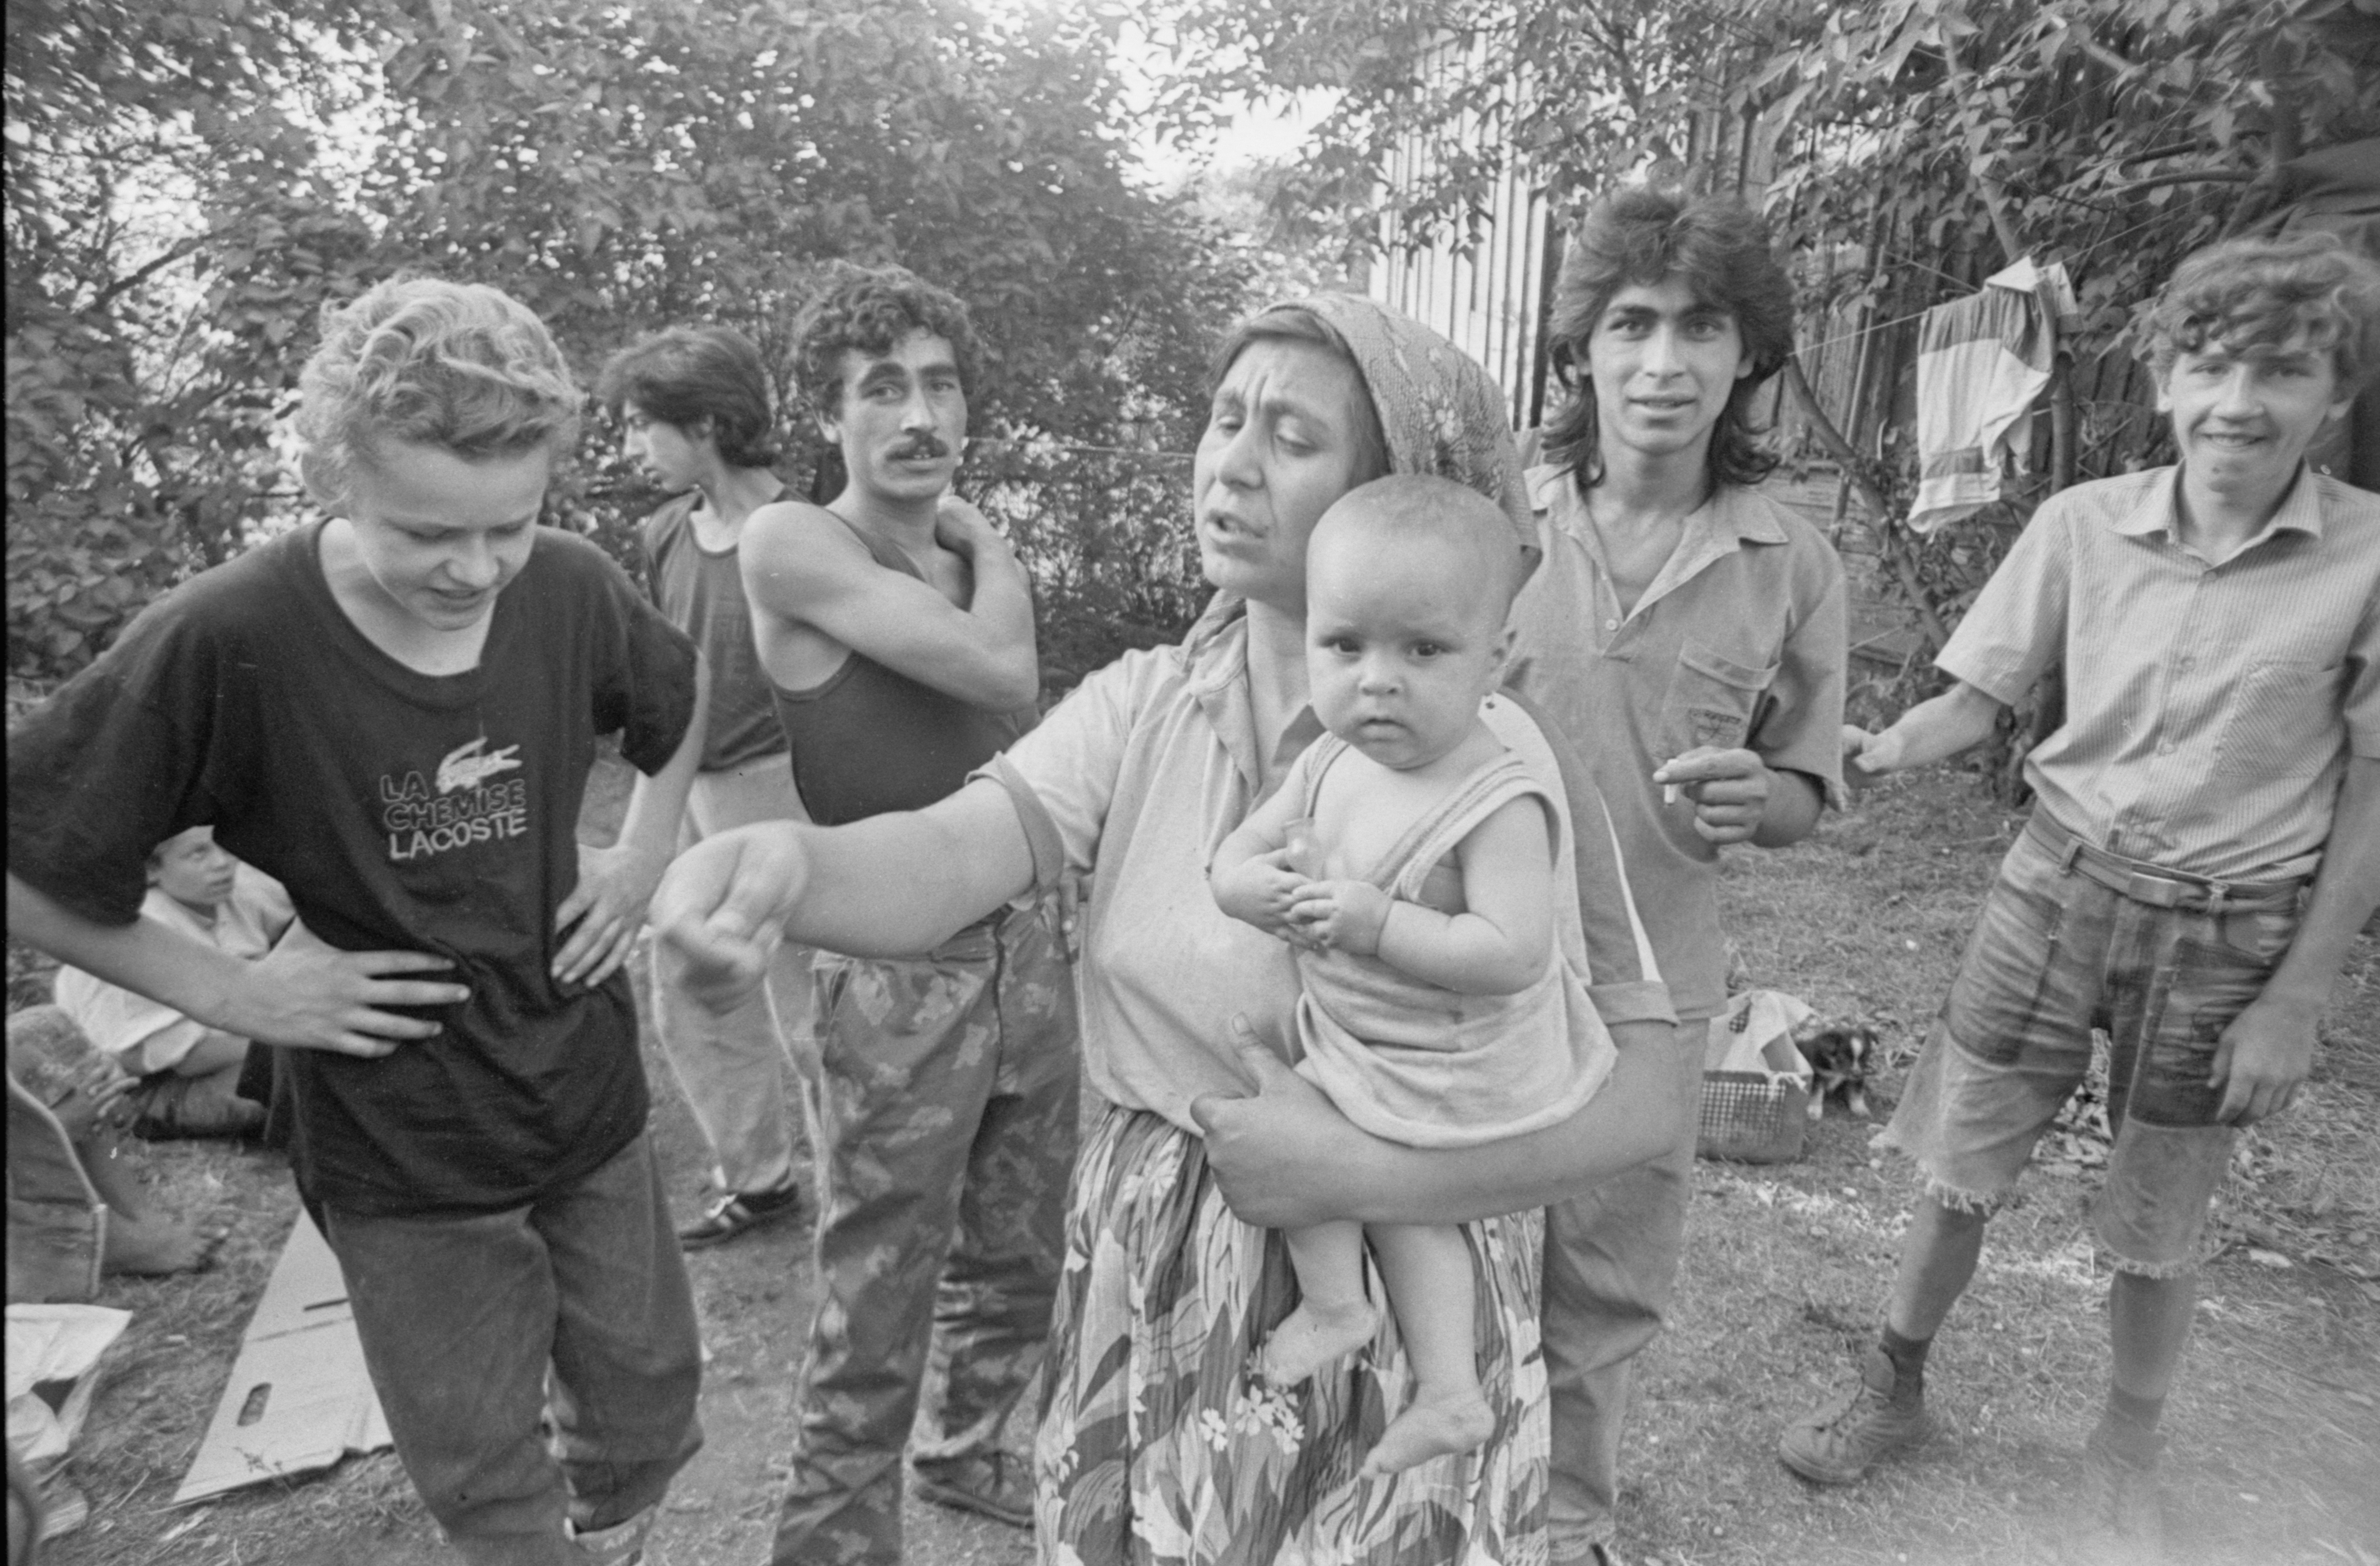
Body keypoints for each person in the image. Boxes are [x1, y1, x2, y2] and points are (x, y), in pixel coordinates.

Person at [655, 291, 1687, 1566]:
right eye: (1224, 418)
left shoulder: (1498, 760)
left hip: (1397, 1302)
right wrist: (781, 860)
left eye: (1293, 437)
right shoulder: (1148, 704)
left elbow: (1651, 1100)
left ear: (1395, 496)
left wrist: (1366, 1177)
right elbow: (947, 852)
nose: (1232, 462)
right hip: (1148, 1275)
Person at [7, 276, 711, 1566]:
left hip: (581, 1082)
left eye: (511, 522)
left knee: (649, 1402)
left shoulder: (569, 585)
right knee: (485, 1472)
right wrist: (238, 996)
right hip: (401, 1133)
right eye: (427, 530)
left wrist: (640, 860)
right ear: (337, 475)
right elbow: (33, 863)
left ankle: (613, 1529)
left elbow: (677, 703)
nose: (476, 566)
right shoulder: (229, 634)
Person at [1777, 232, 2380, 1559]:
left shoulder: (2370, 560)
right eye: (2209, 363)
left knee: (2159, 1218)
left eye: (2282, 371)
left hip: (2233, 929)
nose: (2238, 400)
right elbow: (1968, 701)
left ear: (2334, 394)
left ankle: (2124, 1450)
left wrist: (2297, 995)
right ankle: (1893, 1387)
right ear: (2166, 378)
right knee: (1953, 1164)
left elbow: (2371, 793)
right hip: (2051, 888)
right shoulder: (2080, 525)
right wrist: (1865, 750)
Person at [1502, 187, 1849, 1566]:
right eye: (1628, 325)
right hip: (1468, 974)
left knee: (1601, 1272)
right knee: (1445, 1245)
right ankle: (1438, 1484)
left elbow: (1803, 792)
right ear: (1577, 350)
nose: (1661, 363)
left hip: (1651, 990)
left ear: (1746, 353)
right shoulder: (1495, 522)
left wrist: (1756, 793)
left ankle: (1567, 1512)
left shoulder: (1792, 559)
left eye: (1698, 327)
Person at [730, 262, 1079, 1563]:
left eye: (940, 384)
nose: (920, 415)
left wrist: (980, 548)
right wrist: (999, 548)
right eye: (884, 389)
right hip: (893, 964)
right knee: (878, 1279)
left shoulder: (953, 551)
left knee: (1023, 1238)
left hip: (1025, 936)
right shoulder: (798, 541)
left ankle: (971, 1445)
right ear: (830, 415)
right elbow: (1001, 670)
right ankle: (830, 1537)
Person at [1210, 474, 1616, 1479]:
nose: (1376, 681)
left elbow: (1514, 952)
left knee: (1395, 1192)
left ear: (1495, 659)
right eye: (1345, 646)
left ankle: (1444, 1388)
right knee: (1295, 1130)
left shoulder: (1496, 794)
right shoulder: (1328, 759)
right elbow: (1235, 856)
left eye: (1422, 650)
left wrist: (1379, 920)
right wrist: (1247, 887)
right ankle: (1346, 1308)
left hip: (1449, 1051)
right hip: (1358, 1032)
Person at [597, 324, 812, 1249]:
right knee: (689, 980)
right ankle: (759, 1178)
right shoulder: (661, 535)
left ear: (711, 424)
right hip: (692, 788)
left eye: (648, 424)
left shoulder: (806, 531)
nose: (634, 445)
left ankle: (869, 1176)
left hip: (791, 790)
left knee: (807, 1002)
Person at [50, 825, 287, 1141]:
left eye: (225, 847)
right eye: (198, 853)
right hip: (147, 1086)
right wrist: (294, 1045)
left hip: (233, 1051)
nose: (222, 863)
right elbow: (190, 1059)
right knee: (292, 1084)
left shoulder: (236, 892)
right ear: (152, 870)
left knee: (316, 1073)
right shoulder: (139, 928)